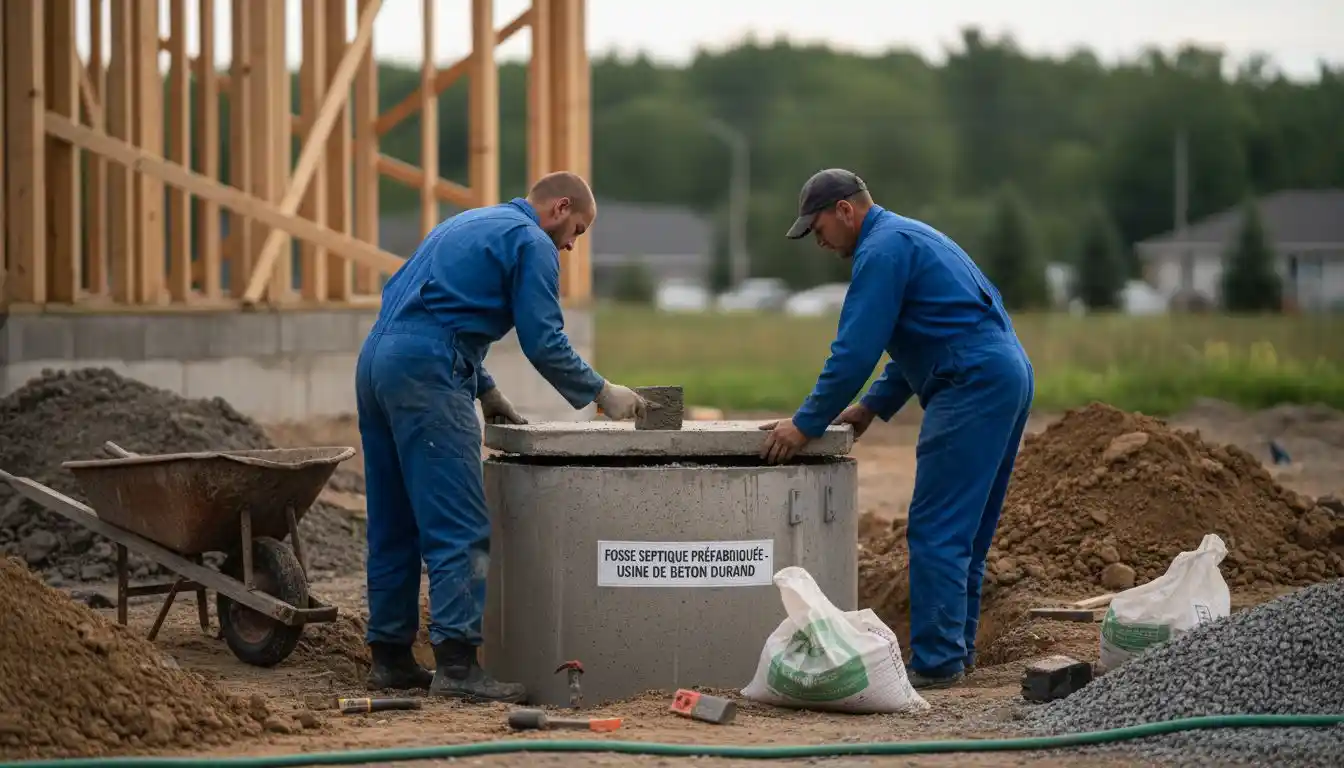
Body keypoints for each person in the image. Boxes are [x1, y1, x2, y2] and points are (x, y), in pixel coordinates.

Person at [355, 171, 651, 703]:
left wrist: (485, 388)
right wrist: (602, 393)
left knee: (395, 518)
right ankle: (459, 668)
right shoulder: (531, 241)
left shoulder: (470, 222)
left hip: (378, 362)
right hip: (425, 372)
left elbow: (426, 310)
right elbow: (543, 339)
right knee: (459, 522)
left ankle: (391, 659)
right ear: (560, 208)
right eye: (577, 231)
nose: (570, 246)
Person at [759, 169, 1035, 689]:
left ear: (845, 210)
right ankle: (955, 654)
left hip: (971, 382)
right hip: (1003, 373)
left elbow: (855, 351)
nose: (817, 241)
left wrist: (805, 424)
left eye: (817, 228)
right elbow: (922, 335)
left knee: (937, 528)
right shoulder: (906, 236)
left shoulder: (880, 250)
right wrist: (870, 407)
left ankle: (935, 664)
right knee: (966, 535)